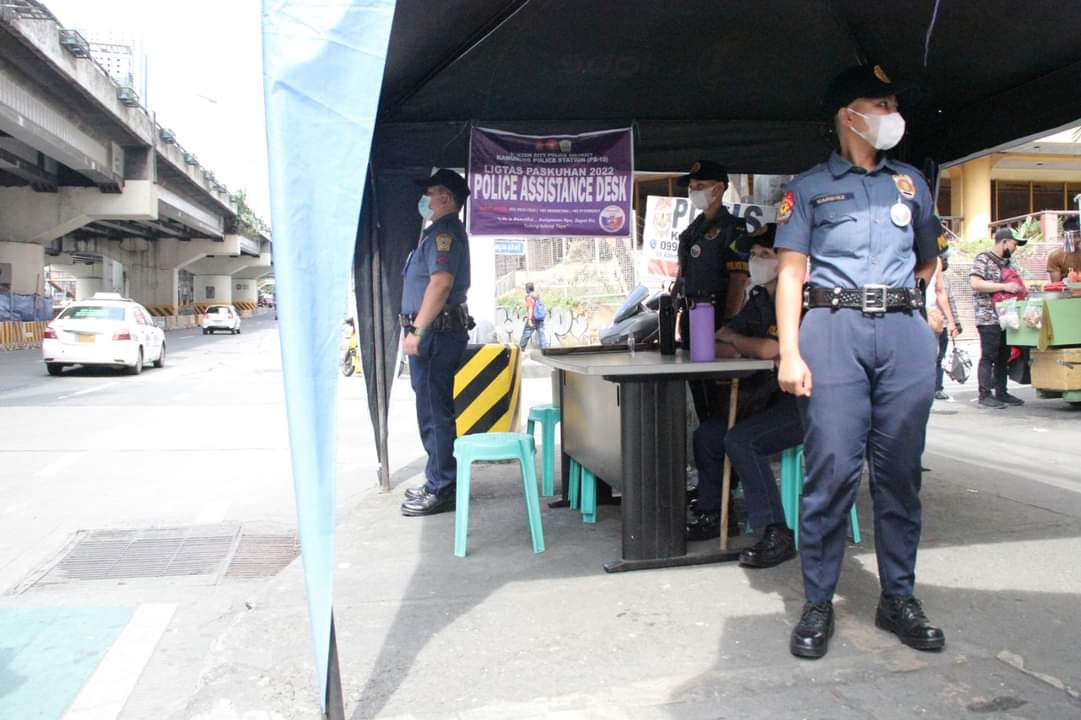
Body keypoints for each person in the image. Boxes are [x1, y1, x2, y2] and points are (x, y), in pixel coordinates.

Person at [774, 64, 946, 660]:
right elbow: (791, 272)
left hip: (902, 332)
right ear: (848, 114)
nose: (891, 112)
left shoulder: (911, 185)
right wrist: (790, 351)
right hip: (832, 330)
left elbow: (929, 258)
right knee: (831, 473)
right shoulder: (810, 187)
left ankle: (897, 597)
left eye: (893, 101)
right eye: (880, 102)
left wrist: (917, 310)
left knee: (901, 475)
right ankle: (817, 601)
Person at [686, 225, 799, 570]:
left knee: (741, 440)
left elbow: (777, 349)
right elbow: (722, 338)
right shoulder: (761, 299)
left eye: (765, 255)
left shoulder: (804, 301)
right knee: (708, 435)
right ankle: (713, 514)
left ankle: (776, 531)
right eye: (753, 255)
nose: (756, 261)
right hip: (766, 398)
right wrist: (744, 344)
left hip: (805, 404)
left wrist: (743, 343)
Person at [400, 168, 472, 516]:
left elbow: (440, 284)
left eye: (428, 193)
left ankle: (442, 487)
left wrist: (418, 331)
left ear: (445, 197)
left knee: (434, 412)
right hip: (438, 333)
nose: (423, 200)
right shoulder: (436, 234)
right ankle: (437, 479)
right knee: (432, 409)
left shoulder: (445, 235)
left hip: (436, 335)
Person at [674, 160, 750, 422]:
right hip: (691, 316)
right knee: (698, 389)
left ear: (718, 189)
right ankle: (707, 453)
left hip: (716, 317)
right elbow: (683, 271)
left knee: (718, 395)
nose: (694, 191)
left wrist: (728, 324)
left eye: (700, 186)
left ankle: (721, 456)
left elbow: (739, 279)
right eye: (692, 187)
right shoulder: (693, 229)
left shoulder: (733, 228)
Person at [969, 227, 1026, 409]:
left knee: (1004, 355)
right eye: (1014, 244)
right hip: (988, 317)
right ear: (1004, 241)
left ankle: (1001, 392)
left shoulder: (1009, 263)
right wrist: (1004, 286)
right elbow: (975, 283)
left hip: (1006, 317)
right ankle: (984, 394)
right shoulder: (983, 259)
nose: (1015, 248)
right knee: (989, 356)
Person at [931, 252, 962, 401]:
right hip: (928, 320)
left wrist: (954, 323)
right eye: (943, 259)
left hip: (940, 324)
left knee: (939, 357)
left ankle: (937, 387)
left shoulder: (946, 280)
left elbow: (950, 301)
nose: (944, 262)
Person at [1046, 215, 1081, 282]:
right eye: (1074, 236)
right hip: (1065, 291)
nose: (1078, 239)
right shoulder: (1055, 256)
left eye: (1079, 236)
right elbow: (1056, 285)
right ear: (1064, 236)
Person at [519, 282, 546, 350]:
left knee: (526, 335)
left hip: (533, 319)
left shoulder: (529, 297)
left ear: (527, 289)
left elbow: (530, 308)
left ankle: (520, 350)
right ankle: (545, 350)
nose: (525, 290)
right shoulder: (537, 296)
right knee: (542, 336)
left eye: (525, 288)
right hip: (540, 319)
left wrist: (530, 320)